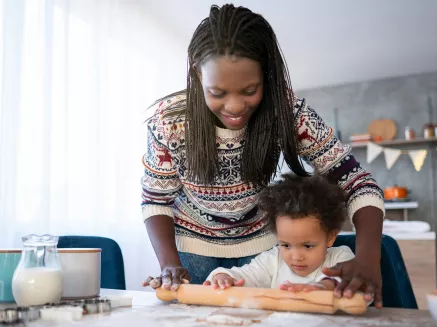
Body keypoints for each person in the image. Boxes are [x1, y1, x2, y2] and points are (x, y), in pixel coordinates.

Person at [141, 4, 384, 307]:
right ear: (196, 72)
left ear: (266, 76)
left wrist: (368, 259)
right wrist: (168, 265)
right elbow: (155, 199)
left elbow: (359, 183)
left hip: (265, 254)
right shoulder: (169, 123)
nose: (234, 106)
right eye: (217, 92)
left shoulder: (289, 115)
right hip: (193, 254)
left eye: (249, 90)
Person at [204, 174, 359, 295]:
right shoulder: (274, 260)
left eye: (307, 246)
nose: (296, 256)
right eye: (286, 245)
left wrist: (324, 286)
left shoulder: (340, 258)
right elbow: (242, 276)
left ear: (331, 237)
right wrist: (223, 278)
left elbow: (350, 282)